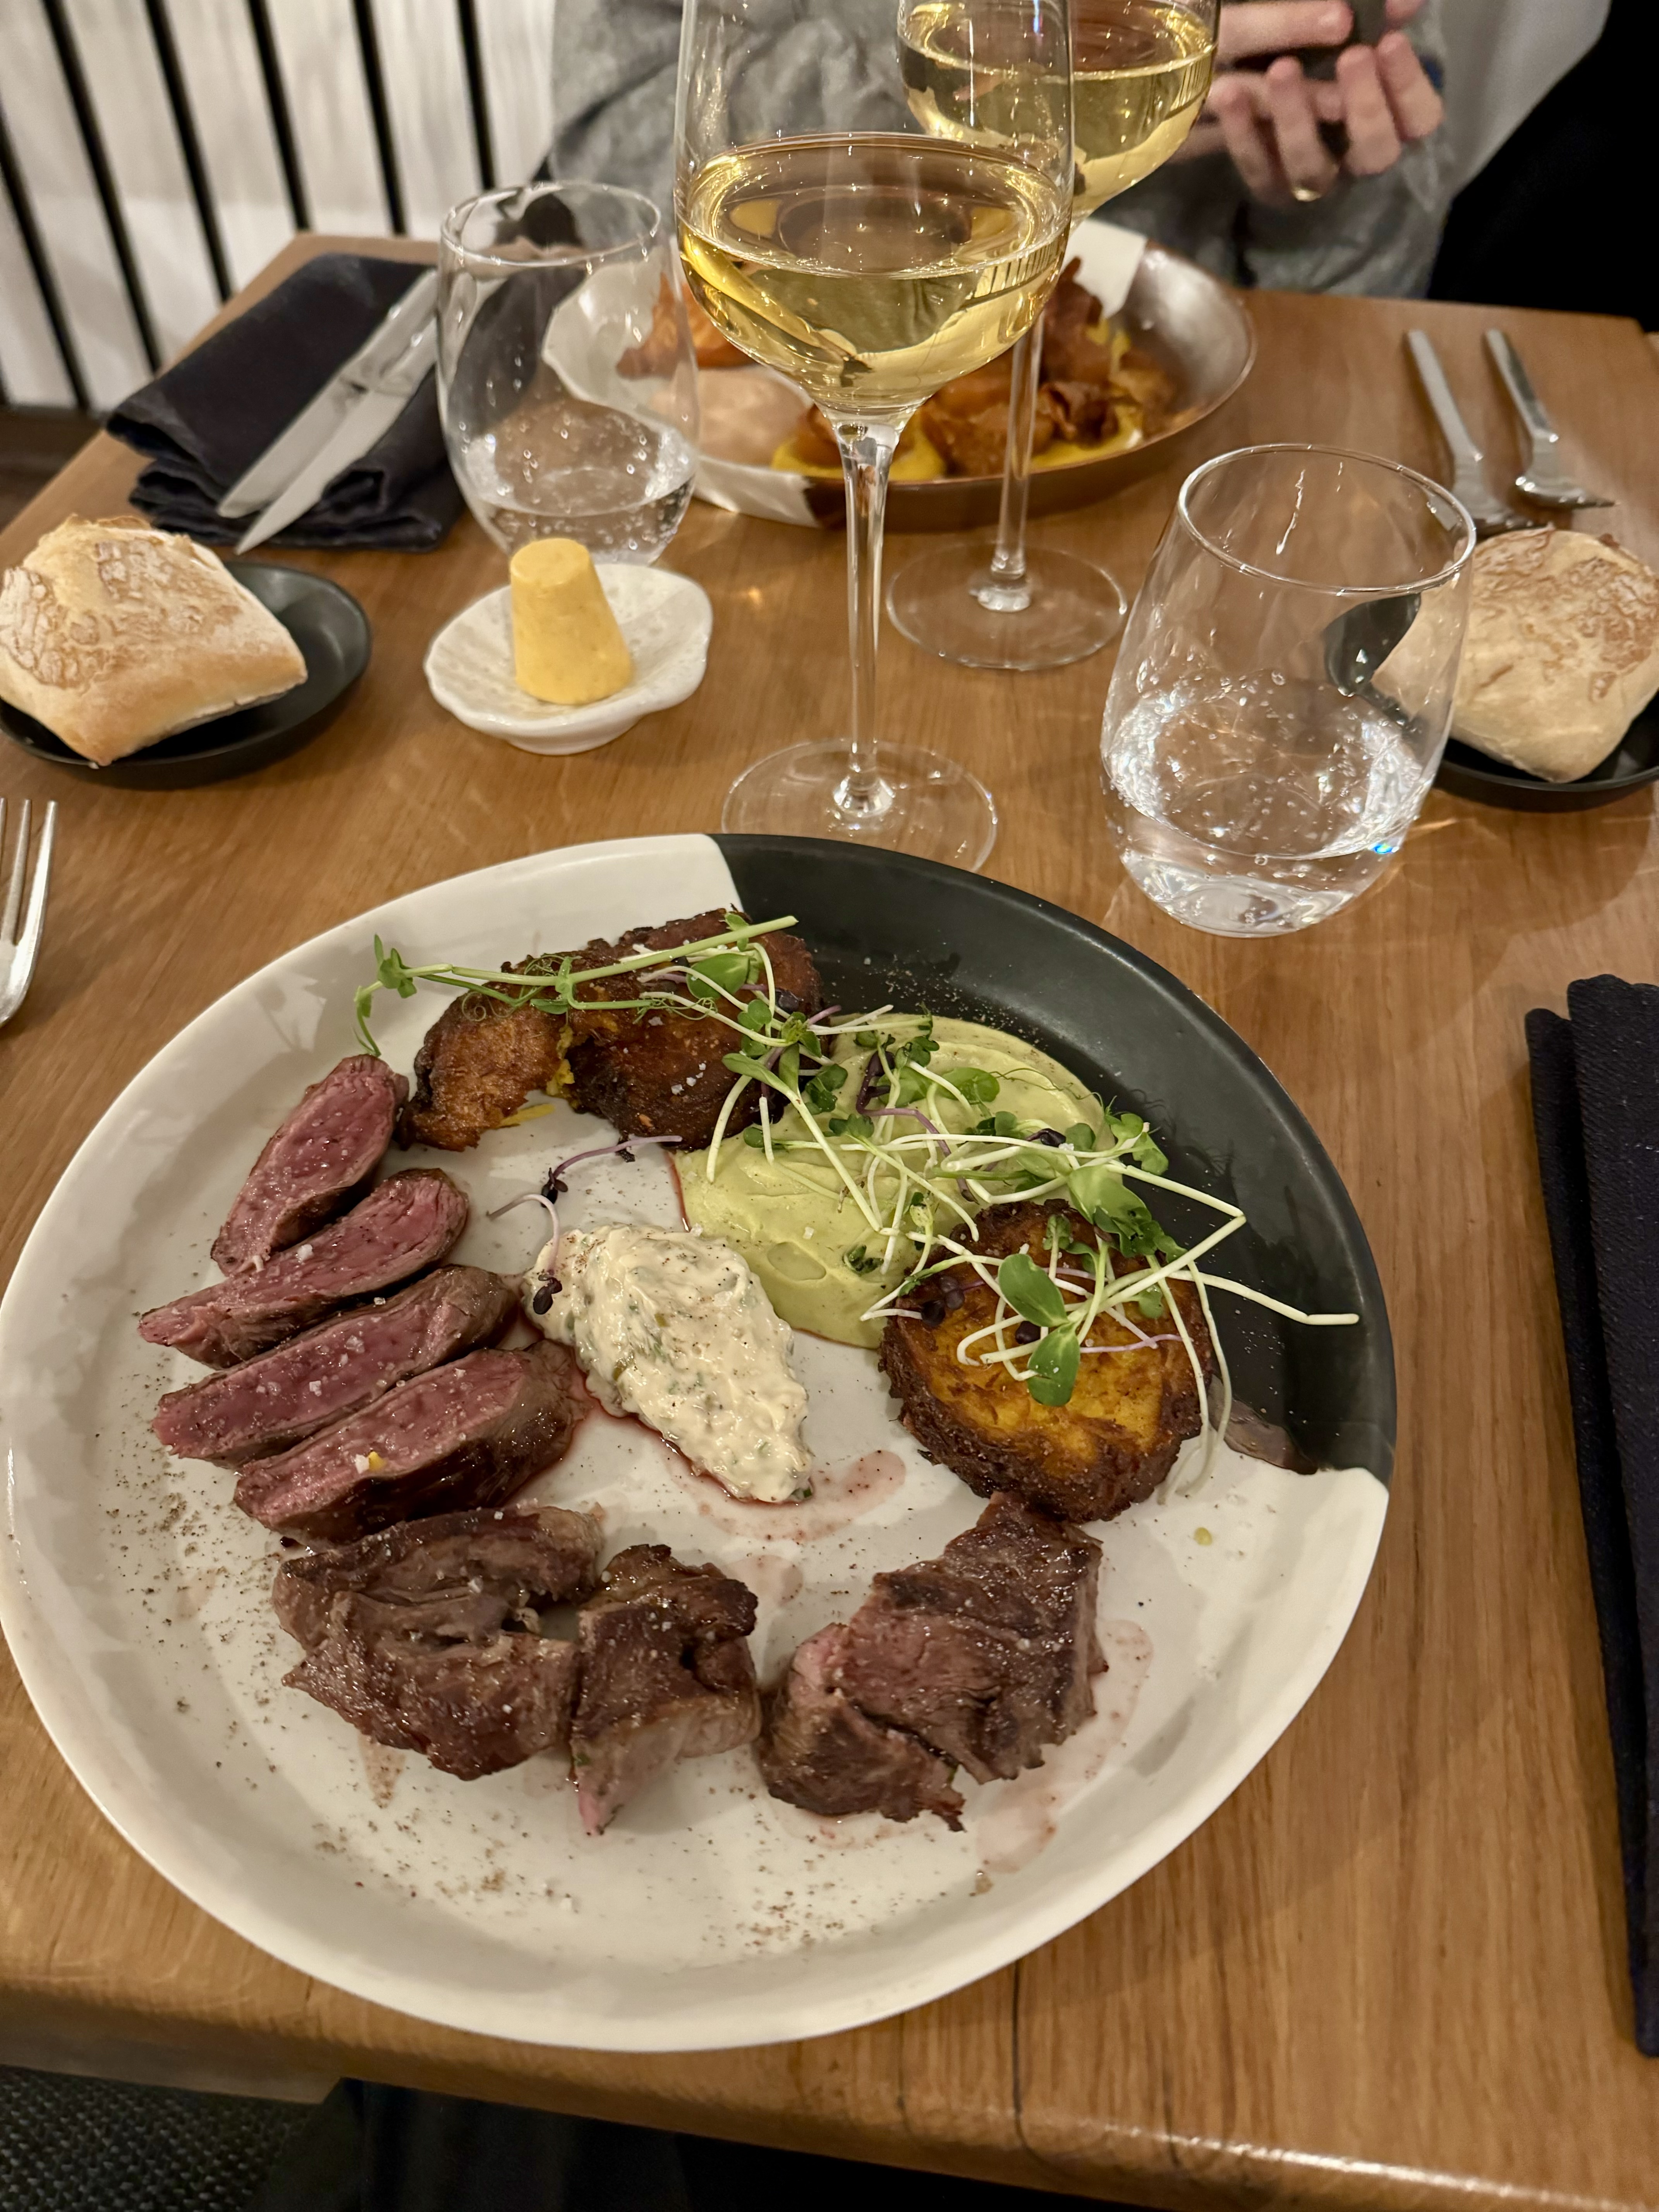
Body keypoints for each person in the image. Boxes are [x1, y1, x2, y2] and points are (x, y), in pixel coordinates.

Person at [550, 0, 1451, 298]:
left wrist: (1320, 195)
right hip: (767, 438)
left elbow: (1374, 296)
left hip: (1183, 457)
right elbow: (614, 180)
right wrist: (976, 77)